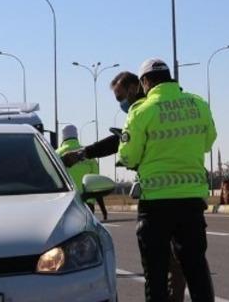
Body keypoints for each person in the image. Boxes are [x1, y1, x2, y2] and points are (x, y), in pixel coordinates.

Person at [63, 70, 186, 301]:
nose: (121, 103)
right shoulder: (173, 107)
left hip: (158, 197)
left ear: (133, 88)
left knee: (158, 266)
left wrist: (90, 154)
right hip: (188, 193)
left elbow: (123, 146)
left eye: (120, 97)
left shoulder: (143, 110)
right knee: (187, 264)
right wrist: (85, 153)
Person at [119, 58, 217, 302]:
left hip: (155, 204)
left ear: (144, 82)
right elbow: (208, 142)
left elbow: (128, 156)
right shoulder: (198, 104)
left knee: (156, 274)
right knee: (196, 269)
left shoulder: (141, 111)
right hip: (191, 201)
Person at [57, 124, 107, 221]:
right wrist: (103, 208)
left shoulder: (56, 155)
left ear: (62, 137)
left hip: (64, 205)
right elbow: (96, 185)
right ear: (76, 136)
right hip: (87, 205)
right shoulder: (89, 155)